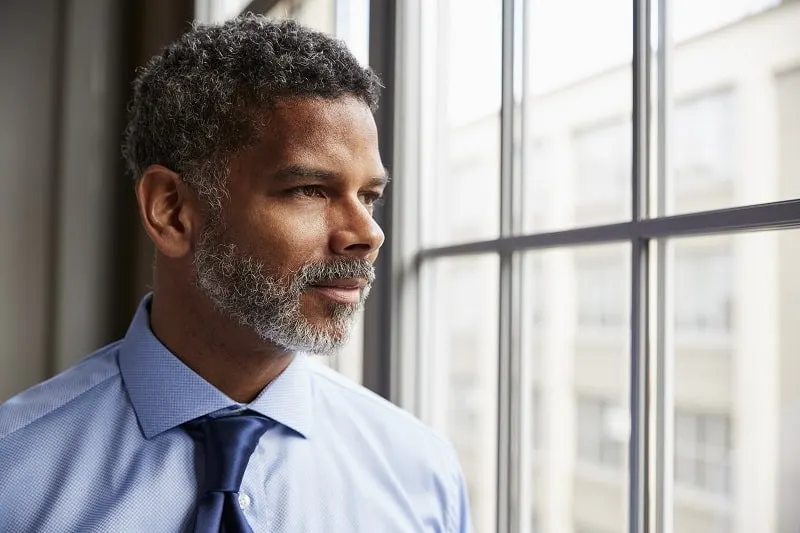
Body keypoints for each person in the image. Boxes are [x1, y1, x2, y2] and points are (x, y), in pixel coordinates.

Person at [0, 14, 472, 533]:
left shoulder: (423, 477)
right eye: (309, 190)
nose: (369, 234)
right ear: (173, 210)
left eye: (369, 197)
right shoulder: (14, 474)